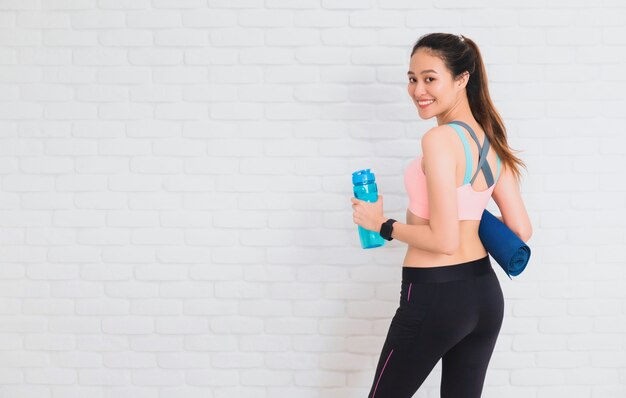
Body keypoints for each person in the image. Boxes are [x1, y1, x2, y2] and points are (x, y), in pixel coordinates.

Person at [350, 32, 532, 398]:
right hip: (484, 296)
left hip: (434, 295)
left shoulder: (439, 140)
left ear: (462, 79)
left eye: (430, 78)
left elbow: (444, 241)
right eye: (412, 79)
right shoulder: (490, 139)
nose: (419, 90)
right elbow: (520, 230)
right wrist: (470, 211)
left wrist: (381, 225)